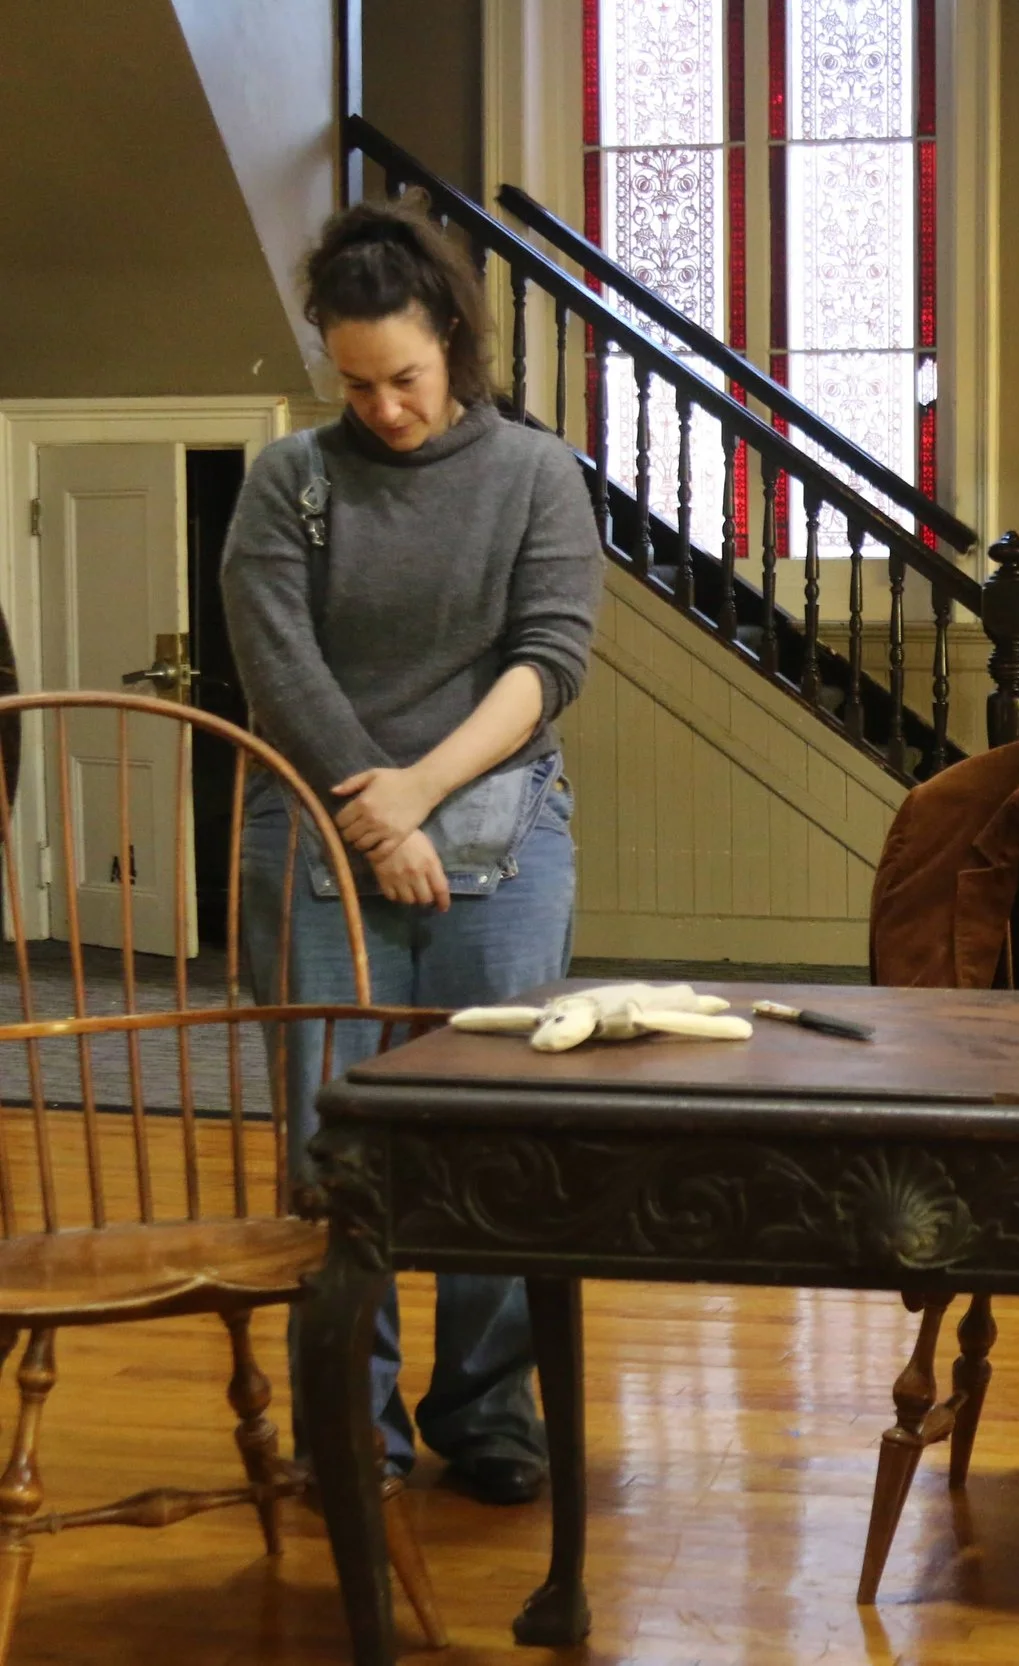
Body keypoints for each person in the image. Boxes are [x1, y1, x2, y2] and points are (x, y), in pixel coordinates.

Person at [225, 196, 604, 1505]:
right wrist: (371, 816)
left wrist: (419, 794)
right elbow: (278, 664)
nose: (383, 407)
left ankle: (487, 1413)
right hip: (315, 833)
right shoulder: (289, 480)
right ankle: (353, 1425)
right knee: (335, 1145)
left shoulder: (538, 475)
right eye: (355, 384)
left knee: (495, 1130)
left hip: (500, 830)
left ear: (451, 337)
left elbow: (548, 661)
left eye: (405, 377)